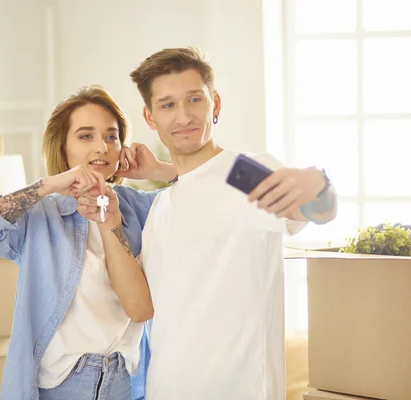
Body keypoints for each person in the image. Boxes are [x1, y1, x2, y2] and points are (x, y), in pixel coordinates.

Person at [127, 47, 338, 399]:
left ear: (216, 104)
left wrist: (320, 184)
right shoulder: (161, 205)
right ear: (150, 118)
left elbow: (317, 210)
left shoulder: (244, 174)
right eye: (167, 105)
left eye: (195, 99)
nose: (184, 116)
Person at [0, 86, 176, 400]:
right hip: (61, 385)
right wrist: (46, 185)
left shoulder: (137, 208)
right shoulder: (39, 214)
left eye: (111, 136)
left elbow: (214, 196)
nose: (101, 146)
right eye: (86, 136)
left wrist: (160, 170)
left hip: (124, 382)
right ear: (62, 146)